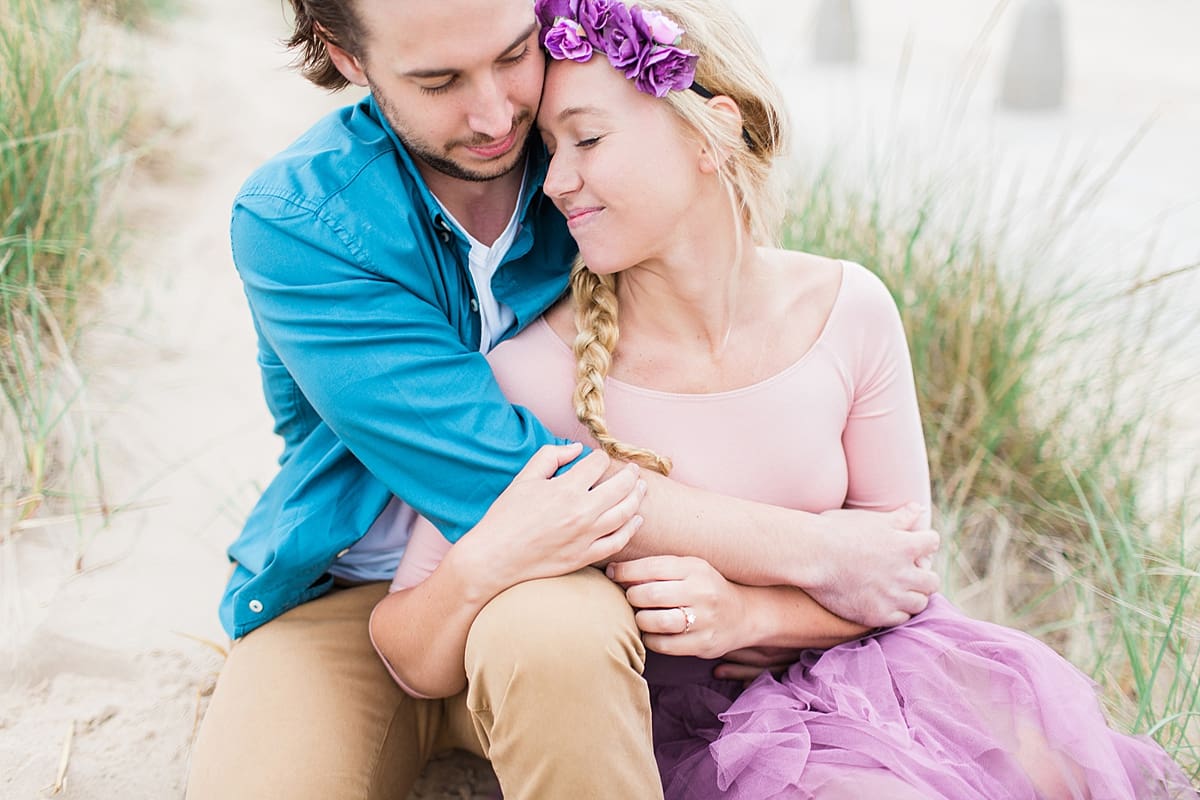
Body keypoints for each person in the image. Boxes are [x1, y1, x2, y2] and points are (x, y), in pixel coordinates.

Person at [375, 0, 1197, 797]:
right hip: (704, 734)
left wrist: (752, 615)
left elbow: (905, 575)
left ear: (712, 133)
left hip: (876, 675)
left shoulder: (849, 310)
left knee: (1052, 766)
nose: (556, 181)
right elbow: (409, 644)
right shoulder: (532, 374)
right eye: (549, 151)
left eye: (587, 138)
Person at [186, 0, 944, 798]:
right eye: (439, 81)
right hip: (360, 589)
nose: (495, 117)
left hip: (573, 598)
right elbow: (513, 477)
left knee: (557, 634)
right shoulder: (302, 220)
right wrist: (821, 551)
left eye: (514, 55)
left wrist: (772, 606)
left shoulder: (591, 151)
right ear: (346, 57)